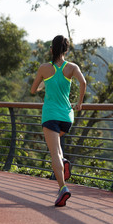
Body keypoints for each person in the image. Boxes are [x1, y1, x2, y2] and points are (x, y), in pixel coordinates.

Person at [30, 35, 86, 207]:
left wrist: (44, 84)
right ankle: (63, 162)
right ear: (66, 50)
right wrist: (79, 103)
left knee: (54, 152)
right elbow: (83, 82)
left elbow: (33, 90)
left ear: (51, 50)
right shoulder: (72, 67)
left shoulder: (44, 68)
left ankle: (63, 188)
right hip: (67, 117)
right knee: (58, 149)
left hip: (50, 115)